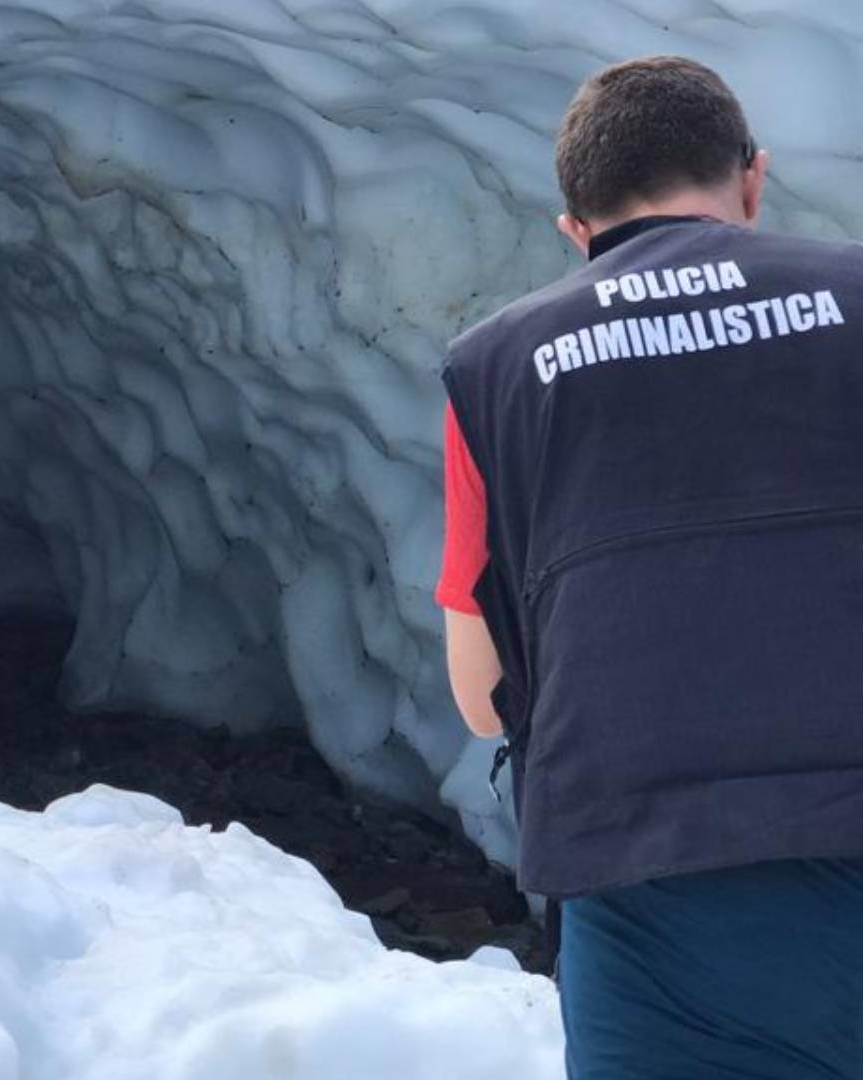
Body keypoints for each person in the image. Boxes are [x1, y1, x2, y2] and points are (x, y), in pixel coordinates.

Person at [436, 56, 863, 1078]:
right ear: (751, 182)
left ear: (574, 232)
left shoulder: (496, 368)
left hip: (654, 896)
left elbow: (484, 697)